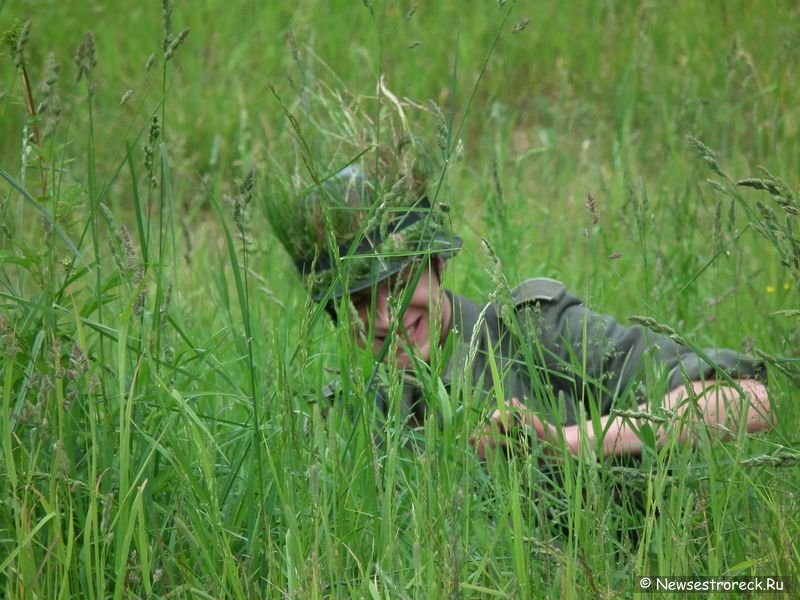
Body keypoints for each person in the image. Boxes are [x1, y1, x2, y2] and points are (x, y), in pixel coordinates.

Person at [266, 93, 771, 460]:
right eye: (357, 302)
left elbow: (747, 400)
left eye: (398, 286)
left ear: (437, 264)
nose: (385, 317)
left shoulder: (534, 330)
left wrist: (568, 444)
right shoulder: (345, 418)